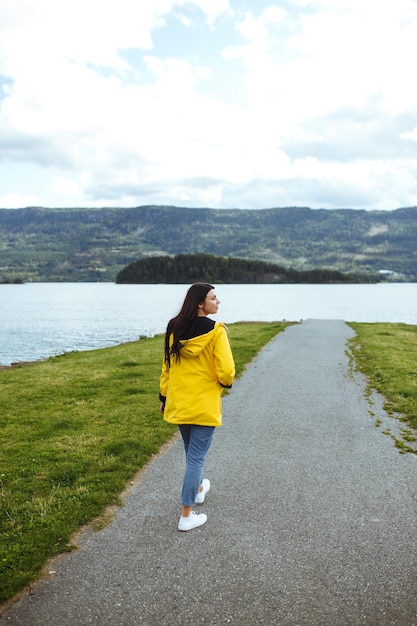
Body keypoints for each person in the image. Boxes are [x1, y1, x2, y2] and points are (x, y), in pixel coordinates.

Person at [159, 283, 235, 531]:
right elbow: (226, 370)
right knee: (196, 458)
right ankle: (186, 515)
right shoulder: (215, 331)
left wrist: (164, 398)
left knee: (192, 453)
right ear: (200, 303)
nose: (218, 302)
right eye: (214, 298)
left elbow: (167, 367)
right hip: (203, 404)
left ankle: (199, 488)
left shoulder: (174, 326)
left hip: (180, 401)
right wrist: (224, 382)